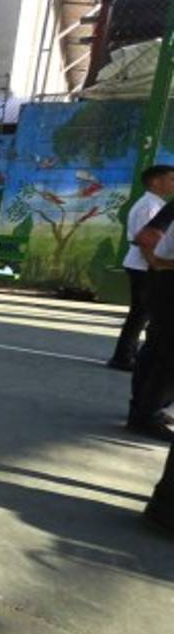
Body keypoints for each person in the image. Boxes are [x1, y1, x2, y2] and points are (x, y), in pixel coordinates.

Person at [109, 165, 174, 371]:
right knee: (141, 313)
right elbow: (146, 240)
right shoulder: (149, 206)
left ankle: (129, 354)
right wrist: (156, 264)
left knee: (142, 313)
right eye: (171, 179)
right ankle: (124, 357)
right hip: (143, 266)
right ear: (155, 181)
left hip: (145, 264)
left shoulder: (155, 204)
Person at [134, 200, 174, 533]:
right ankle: (146, 413)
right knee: (161, 358)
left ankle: (146, 412)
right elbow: (147, 240)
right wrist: (157, 268)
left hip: (164, 287)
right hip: (167, 289)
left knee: (157, 355)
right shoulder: (158, 208)